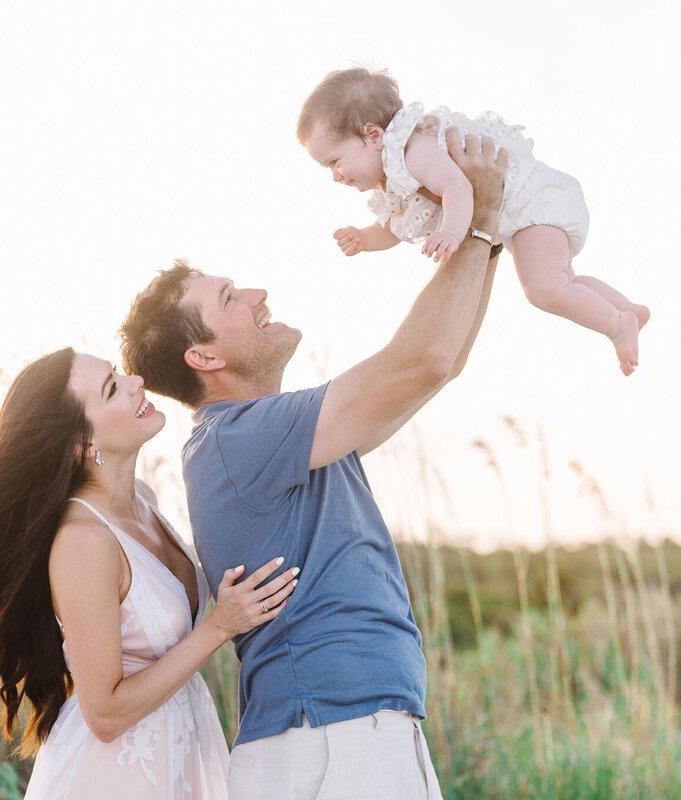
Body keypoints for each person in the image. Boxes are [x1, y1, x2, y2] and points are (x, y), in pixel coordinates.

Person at [118, 130, 506, 800]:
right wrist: (474, 222)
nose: (259, 294)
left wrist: (488, 231)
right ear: (204, 358)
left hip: (333, 735)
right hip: (336, 737)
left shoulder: (277, 439)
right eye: (231, 297)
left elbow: (436, 369)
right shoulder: (239, 436)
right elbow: (425, 359)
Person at [0, 347, 298, 800]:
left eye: (118, 373)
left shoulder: (146, 499)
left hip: (184, 753)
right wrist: (219, 628)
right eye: (113, 388)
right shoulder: (84, 542)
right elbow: (105, 714)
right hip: (117, 777)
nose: (135, 381)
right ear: (83, 444)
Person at [298, 66, 650, 375]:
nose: (335, 176)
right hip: (529, 212)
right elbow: (393, 228)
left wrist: (452, 233)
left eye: (334, 162)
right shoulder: (394, 178)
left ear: (374, 136)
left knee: (544, 290)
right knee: (565, 280)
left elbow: (457, 188)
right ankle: (627, 309)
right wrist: (364, 237)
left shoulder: (412, 150)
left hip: (533, 202)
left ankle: (618, 327)